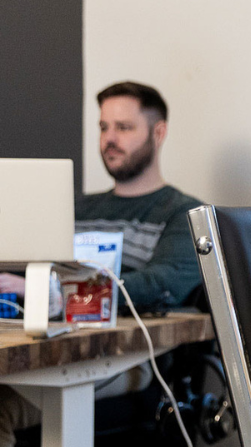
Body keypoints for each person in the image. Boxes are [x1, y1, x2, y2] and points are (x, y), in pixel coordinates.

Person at [0, 81, 203, 446]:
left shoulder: (181, 212)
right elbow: (24, 269)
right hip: (45, 349)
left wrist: (50, 290)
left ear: (158, 133)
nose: (110, 138)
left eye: (123, 128)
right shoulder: (75, 207)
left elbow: (161, 284)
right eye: (103, 127)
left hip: (123, 360)